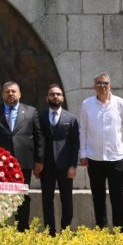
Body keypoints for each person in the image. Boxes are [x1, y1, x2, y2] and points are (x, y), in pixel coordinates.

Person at [0, 81, 44, 231]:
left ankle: (22, 229)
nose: (11, 94)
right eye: (7, 91)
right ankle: (0, 229)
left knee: (22, 196)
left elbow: (39, 138)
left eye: (14, 91)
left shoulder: (31, 112)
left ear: (20, 94)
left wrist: (39, 160)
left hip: (23, 163)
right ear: (2, 94)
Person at [79, 72, 123, 231]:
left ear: (110, 86)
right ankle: (101, 230)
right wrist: (83, 153)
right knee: (98, 197)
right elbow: (82, 129)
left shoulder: (120, 103)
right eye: (99, 83)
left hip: (116, 158)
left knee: (117, 197)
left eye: (105, 83)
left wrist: (118, 142)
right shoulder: (86, 104)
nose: (102, 86)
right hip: (93, 158)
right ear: (94, 86)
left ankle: (120, 232)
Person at [40, 83, 80, 236]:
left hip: (65, 166)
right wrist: (39, 163)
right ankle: (50, 232)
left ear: (62, 98)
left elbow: (75, 143)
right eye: (52, 94)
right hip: (46, 166)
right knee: (47, 200)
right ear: (47, 98)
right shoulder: (40, 117)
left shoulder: (71, 118)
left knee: (67, 200)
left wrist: (73, 166)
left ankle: (65, 230)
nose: (55, 96)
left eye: (58, 94)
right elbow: (39, 141)